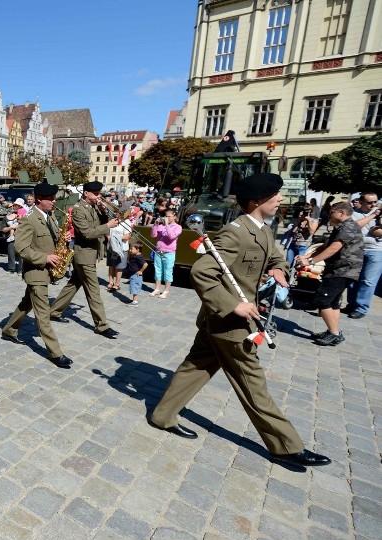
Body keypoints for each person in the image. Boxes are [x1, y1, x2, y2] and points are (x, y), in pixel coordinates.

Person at [149, 173, 330, 468]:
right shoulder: (235, 232)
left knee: (196, 366)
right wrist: (234, 305)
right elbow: (202, 272)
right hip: (230, 322)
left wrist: (278, 269)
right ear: (258, 200)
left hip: (218, 320)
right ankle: (286, 445)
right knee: (252, 382)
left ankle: (162, 415)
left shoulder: (262, 228)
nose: (281, 199)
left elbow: (275, 255)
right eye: (276, 195)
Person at [1, 181, 73, 369]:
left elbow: (51, 238)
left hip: (45, 271)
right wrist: (45, 257)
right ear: (40, 199)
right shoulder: (29, 218)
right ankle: (55, 353)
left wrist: (62, 239)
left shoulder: (49, 216)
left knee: (27, 303)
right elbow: (21, 247)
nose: (53, 201)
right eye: (50, 198)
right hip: (35, 272)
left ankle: (9, 329)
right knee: (43, 314)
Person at [48, 181, 120, 338]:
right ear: (86, 193)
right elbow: (87, 233)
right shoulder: (78, 210)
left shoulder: (93, 207)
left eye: (99, 194)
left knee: (74, 284)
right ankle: (102, 325)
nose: (98, 196)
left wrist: (104, 212)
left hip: (90, 253)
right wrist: (108, 225)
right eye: (95, 194)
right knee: (93, 291)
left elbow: (99, 224)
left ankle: (54, 311)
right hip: (83, 255)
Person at [296, 201, 364, 345]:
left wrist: (311, 262)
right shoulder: (341, 227)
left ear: (342, 213)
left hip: (343, 270)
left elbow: (333, 248)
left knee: (322, 300)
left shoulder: (349, 227)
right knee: (333, 302)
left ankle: (334, 334)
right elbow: (326, 245)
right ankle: (333, 331)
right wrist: (307, 257)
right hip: (337, 269)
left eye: (332, 212)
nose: (329, 214)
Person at [344, 191, 382, 319]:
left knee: (368, 281)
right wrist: (372, 216)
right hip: (356, 249)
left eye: (375, 202)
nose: (373, 205)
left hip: (376, 250)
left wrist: (377, 231)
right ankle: (351, 304)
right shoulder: (354, 214)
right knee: (353, 279)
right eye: (369, 202)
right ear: (361, 202)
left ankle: (361, 308)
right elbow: (355, 227)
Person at [150, 209, 182, 299]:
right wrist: (156, 225)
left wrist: (167, 225)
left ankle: (166, 291)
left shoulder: (178, 227)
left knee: (167, 271)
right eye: (166, 216)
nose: (166, 218)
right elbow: (153, 235)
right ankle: (157, 289)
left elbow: (171, 236)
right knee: (158, 269)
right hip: (159, 250)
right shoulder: (162, 226)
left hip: (169, 252)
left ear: (174, 217)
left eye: (169, 216)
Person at [106, 220, 130, 291]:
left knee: (119, 267)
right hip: (111, 247)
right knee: (111, 265)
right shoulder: (112, 220)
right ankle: (110, 282)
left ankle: (117, 284)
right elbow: (106, 232)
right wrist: (108, 236)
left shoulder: (126, 222)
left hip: (121, 248)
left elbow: (127, 236)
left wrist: (115, 238)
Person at [122, 242, 148, 306]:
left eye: (131, 249)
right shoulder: (135, 256)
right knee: (133, 287)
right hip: (133, 274)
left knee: (135, 287)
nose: (130, 250)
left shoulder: (138, 257)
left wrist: (141, 271)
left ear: (137, 250)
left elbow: (145, 264)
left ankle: (135, 302)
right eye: (130, 249)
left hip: (135, 275)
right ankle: (134, 300)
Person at [3, 202, 21, 273]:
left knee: (21, 254)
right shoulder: (6, 218)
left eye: (13, 206)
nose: (12, 208)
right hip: (10, 238)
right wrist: (11, 228)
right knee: (11, 253)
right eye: (10, 207)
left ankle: (21, 269)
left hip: (20, 237)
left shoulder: (20, 215)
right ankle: (11, 269)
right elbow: (3, 229)